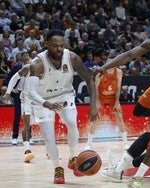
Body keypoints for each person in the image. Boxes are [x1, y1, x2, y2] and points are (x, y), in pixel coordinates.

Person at [28, 29, 98, 184]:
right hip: (43, 100)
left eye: (61, 45)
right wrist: (47, 104)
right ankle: (57, 168)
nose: (59, 49)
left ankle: (73, 158)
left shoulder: (72, 58)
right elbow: (31, 92)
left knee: (72, 125)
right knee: (49, 138)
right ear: (45, 44)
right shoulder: (37, 63)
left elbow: (89, 80)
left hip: (65, 95)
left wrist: (93, 104)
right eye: (54, 46)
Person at [85, 61, 129, 150]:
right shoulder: (100, 73)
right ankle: (89, 144)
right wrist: (97, 102)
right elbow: (95, 88)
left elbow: (118, 88)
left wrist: (117, 102)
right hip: (101, 97)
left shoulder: (119, 72)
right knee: (96, 119)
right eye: (108, 63)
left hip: (112, 97)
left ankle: (125, 143)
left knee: (120, 117)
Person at [2, 51, 35, 162]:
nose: (25, 57)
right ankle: (16, 138)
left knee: (34, 121)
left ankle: (31, 140)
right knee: (18, 117)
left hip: (35, 96)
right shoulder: (18, 67)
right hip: (19, 94)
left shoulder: (36, 67)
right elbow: (10, 78)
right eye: (24, 55)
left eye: (27, 55)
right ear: (21, 57)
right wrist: (9, 91)